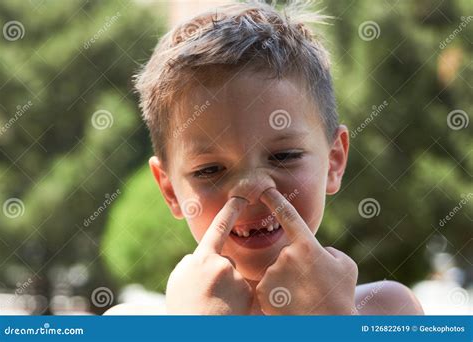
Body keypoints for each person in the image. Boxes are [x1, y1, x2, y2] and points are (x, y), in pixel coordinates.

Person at [105, 0, 423, 315]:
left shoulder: (388, 311)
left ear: (334, 160)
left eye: (284, 155)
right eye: (209, 170)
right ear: (170, 190)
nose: (253, 187)